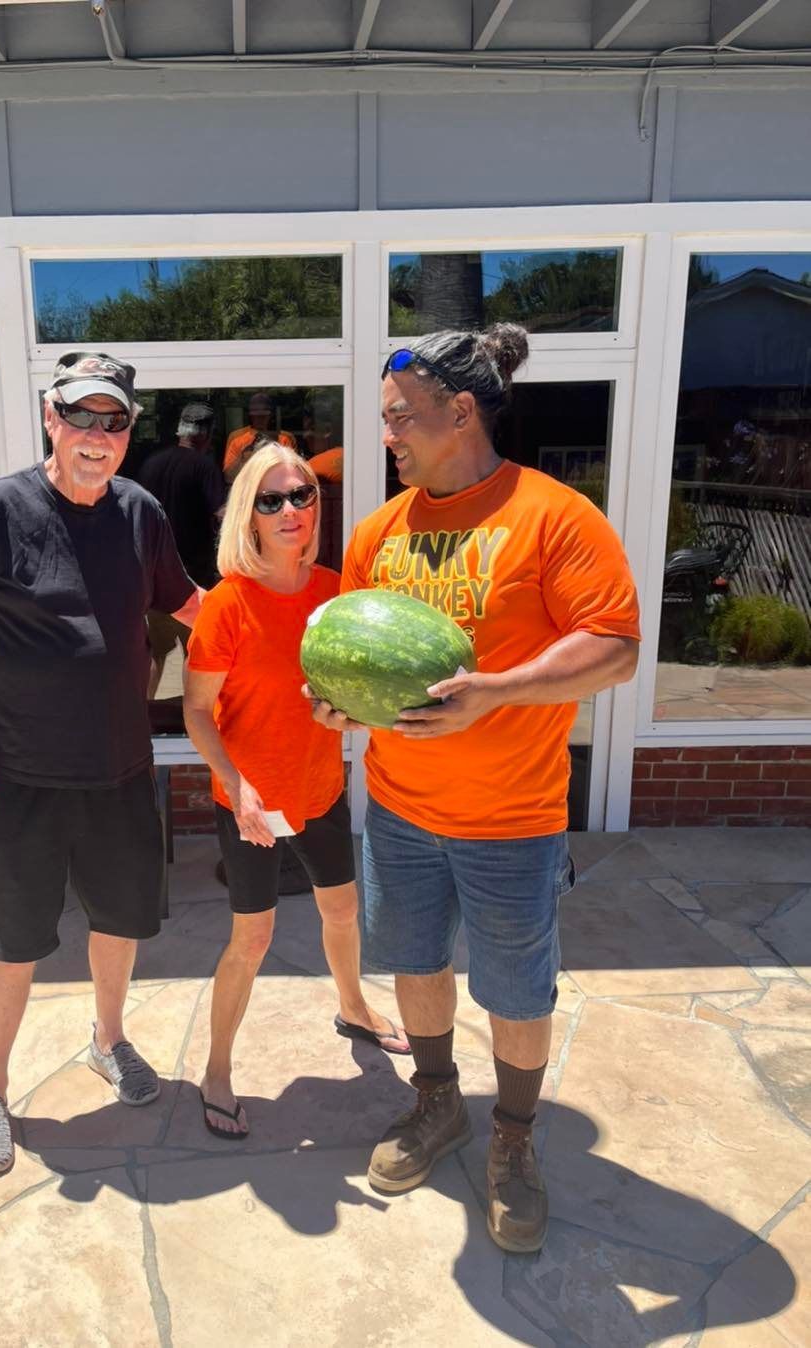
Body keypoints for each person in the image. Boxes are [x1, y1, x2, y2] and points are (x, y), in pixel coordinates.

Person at [310, 324, 640, 1252]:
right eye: (385, 421)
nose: (388, 436)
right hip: (403, 811)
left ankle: (513, 1140)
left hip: (513, 816)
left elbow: (613, 647)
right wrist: (341, 708)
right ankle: (439, 1104)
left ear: (462, 412)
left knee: (517, 992)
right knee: (415, 966)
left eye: (400, 418)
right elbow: (359, 658)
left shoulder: (552, 515)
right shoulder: (378, 533)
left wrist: (496, 691)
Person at [0, 350, 202, 1177]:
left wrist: (282, 640)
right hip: (20, 782)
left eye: (113, 421)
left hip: (118, 774)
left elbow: (190, 607)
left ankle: (107, 1041)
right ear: (51, 416)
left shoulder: (141, 512)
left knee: (119, 925)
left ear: (129, 432)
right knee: (14, 943)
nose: (96, 435)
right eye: (81, 416)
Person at [184, 443, 409, 1140]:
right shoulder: (227, 605)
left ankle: (355, 1008)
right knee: (252, 939)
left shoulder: (337, 593)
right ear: (247, 515)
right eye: (271, 499)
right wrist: (237, 786)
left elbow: (351, 689)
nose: (289, 511)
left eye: (301, 496)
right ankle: (216, 1070)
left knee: (342, 912)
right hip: (252, 801)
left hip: (320, 790)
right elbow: (196, 711)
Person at [138, 402, 226, 699]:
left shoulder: (152, 464)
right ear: (206, 434)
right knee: (199, 654)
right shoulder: (203, 467)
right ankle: (194, 720)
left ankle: (143, 714)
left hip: (154, 580)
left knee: (155, 653)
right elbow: (224, 514)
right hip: (194, 580)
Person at [222, 392, 297, 482]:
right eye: (256, 416)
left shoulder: (284, 438)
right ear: (250, 415)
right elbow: (228, 476)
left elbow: (293, 472)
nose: (260, 419)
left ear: (270, 415)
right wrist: (243, 459)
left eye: (264, 416)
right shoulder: (237, 438)